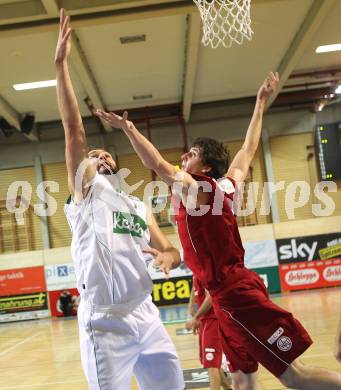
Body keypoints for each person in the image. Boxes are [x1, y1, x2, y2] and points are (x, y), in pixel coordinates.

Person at [96, 72, 341, 390]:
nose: (184, 158)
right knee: (241, 379)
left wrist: (129, 129)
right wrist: (260, 102)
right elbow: (249, 149)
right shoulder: (227, 184)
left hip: (234, 294)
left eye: (192, 155)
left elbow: (158, 165)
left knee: (296, 376)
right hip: (228, 294)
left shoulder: (197, 189)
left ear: (206, 168)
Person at [55, 9, 184, 390]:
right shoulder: (87, 194)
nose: (102, 156)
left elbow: (170, 249)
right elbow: (73, 131)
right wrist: (61, 67)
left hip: (146, 313)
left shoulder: (138, 206)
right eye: (95, 155)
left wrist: (167, 257)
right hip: (105, 321)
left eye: (107, 154)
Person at [186, 276, 232, 390]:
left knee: (211, 363)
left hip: (214, 318)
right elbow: (194, 287)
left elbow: (211, 297)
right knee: (209, 360)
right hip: (206, 319)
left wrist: (196, 317)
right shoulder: (195, 266)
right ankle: (227, 387)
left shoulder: (204, 268)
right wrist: (191, 307)